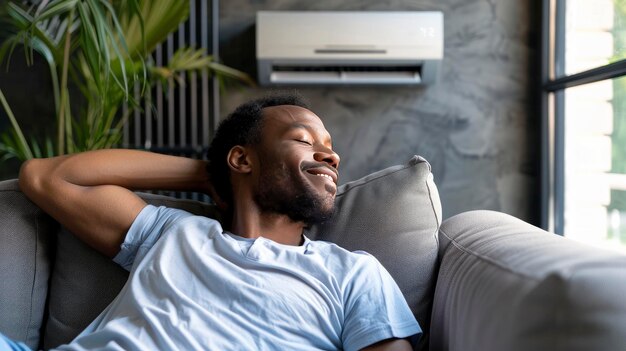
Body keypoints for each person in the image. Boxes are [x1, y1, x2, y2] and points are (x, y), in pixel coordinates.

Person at [7, 94, 421, 350]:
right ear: (242, 158)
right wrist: (210, 175)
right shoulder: (173, 233)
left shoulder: (352, 274)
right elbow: (45, 177)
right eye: (303, 140)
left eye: (330, 148)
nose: (331, 157)